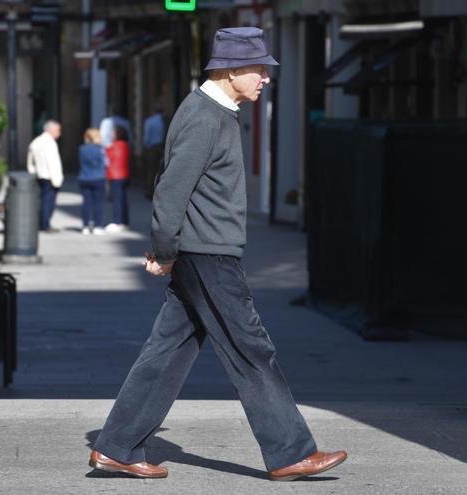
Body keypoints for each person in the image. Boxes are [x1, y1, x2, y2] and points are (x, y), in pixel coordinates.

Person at [89, 27, 347, 482]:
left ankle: (117, 446)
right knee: (253, 350)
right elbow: (170, 189)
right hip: (208, 255)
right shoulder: (206, 116)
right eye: (259, 69)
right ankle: (290, 451)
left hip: (201, 251)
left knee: (168, 351)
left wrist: (168, 249)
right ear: (230, 71)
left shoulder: (213, 111)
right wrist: (164, 249)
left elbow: (176, 184)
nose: (266, 77)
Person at [26, 120, 64, 233]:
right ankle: (45, 224)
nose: (59, 133)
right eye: (58, 130)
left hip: (40, 175)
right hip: (50, 177)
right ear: (50, 130)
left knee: (42, 201)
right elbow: (52, 162)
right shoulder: (49, 143)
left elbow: (30, 161)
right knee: (48, 202)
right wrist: (57, 179)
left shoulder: (36, 141)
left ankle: (42, 223)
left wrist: (32, 172)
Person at [78, 128, 107, 235]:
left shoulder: (82, 149)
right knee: (97, 203)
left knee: (86, 202)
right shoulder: (100, 149)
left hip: (84, 178)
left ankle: (85, 226)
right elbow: (105, 163)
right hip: (98, 178)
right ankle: (97, 226)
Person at [105, 126, 131, 232]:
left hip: (115, 175)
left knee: (117, 200)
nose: (111, 135)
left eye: (113, 133)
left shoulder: (114, 146)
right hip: (124, 174)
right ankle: (125, 222)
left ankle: (117, 221)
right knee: (123, 200)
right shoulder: (126, 145)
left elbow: (107, 157)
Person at [142, 105, 165, 199]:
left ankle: (149, 192)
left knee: (151, 171)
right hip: (161, 147)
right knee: (162, 171)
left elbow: (146, 137)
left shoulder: (150, 121)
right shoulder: (164, 122)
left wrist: (146, 147)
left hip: (152, 148)